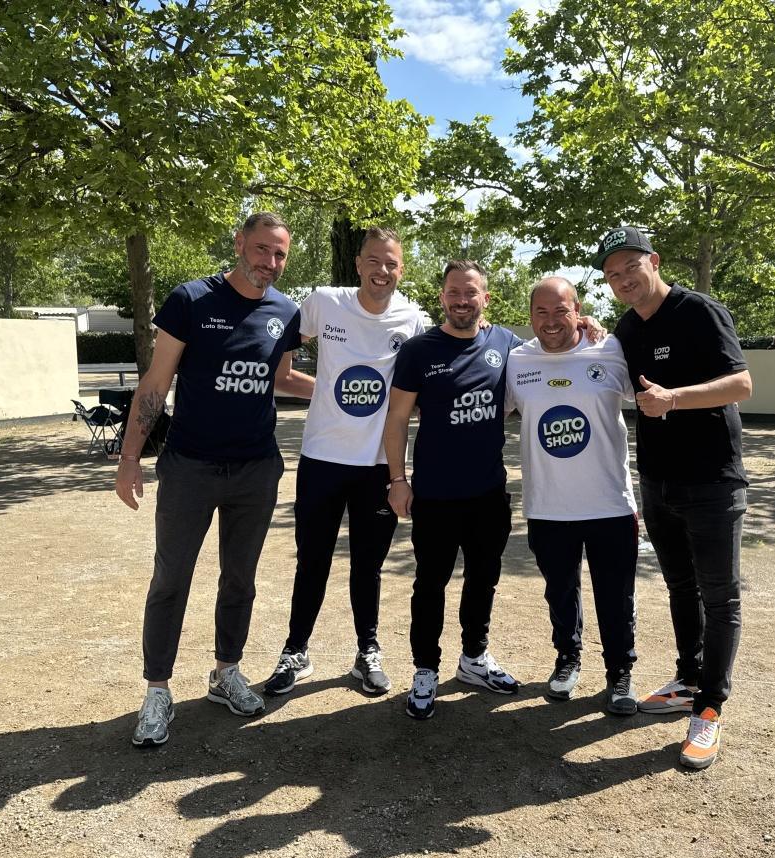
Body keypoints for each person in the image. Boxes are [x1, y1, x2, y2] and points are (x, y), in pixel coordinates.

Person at [114, 211, 314, 747]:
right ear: (239, 244)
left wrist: (356, 394)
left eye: (280, 254)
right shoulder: (191, 300)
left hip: (255, 469)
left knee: (240, 580)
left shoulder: (285, 310)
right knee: (170, 580)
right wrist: (131, 456)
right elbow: (155, 384)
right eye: (262, 249)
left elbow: (286, 378)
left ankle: (226, 672)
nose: (269, 262)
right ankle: (157, 690)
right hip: (191, 468)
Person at [596, 226, 752, 769]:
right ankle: (688, 679)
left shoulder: (700, 311)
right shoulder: (625, 327)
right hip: (659, 482)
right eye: (612, 275)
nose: (621, 280)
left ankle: (709, 710)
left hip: (712, 482)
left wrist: (675, 399)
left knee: (720, 597)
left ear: (654, 262)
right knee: (680, 588)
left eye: (629, 268)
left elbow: (741, 385)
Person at [263, 227, 425, 698]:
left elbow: (445, 359)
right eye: (374, 261)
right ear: (358, 264)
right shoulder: (324, 303)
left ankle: (366, 651)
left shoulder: (412, 319)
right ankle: (296, 650)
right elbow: (277, 344)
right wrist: (322, 389)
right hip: (321, 459)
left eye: (391, 263)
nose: (382, 271)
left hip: (377, 466)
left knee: (367, 566)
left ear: (401, 269)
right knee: (311, 562)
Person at [383, 260, 521, 720]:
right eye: (453, 293)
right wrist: (398, 481)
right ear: (441, 297)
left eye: (471, 293)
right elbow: (397, 418)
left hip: (488, 494)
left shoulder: (506, 344)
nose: (462, 301)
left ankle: (474, 659)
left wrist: (587, 326)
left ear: (486, 297)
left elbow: (553, 354)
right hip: (436, 496)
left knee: (483, 580)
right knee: (431, 584)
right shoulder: (420, 350)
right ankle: (425, 669)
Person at [505, 277, 640, 715]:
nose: (550, 321)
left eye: (560, 310)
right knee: (560, 592)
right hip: (548, 505)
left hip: (609, 503)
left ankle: (621, 673)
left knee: (615, 594)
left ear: (577, 309)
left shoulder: (610, 349)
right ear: (530, 316)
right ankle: (568, 658)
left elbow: (647, 392)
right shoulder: (517, 360)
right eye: (540, 312)